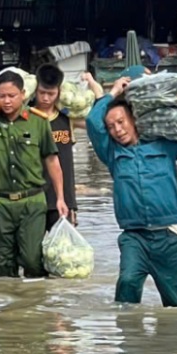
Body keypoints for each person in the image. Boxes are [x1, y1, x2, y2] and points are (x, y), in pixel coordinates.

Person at [86, 70, 177, 307]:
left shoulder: (163, 145)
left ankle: (171, 342)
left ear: (134, 120)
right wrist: (112, 93)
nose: (117, 130)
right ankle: (129, 338)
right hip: (135, 237)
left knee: (173, 305)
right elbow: (93, 122)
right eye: (111, 127)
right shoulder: (113, 153)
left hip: (169, 236)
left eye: (121, 122)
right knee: (127, 284)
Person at [0, 70, 70, 278]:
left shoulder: (38, 121)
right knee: (4, 266)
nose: (7, 101)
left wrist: (60, 198)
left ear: (23, 94)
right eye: (2, 96)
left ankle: (35, 306)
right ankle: (10, 307)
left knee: (32, 260)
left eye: (12, 96)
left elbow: (52, 160)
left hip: (31, 201)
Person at [29, 65, 102, 231]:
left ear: (59, 93)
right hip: (32, 198)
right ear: (35, 91)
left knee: (63, 253)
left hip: (63, 199)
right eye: (42, 93)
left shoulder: (67, 119)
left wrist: (91, 82)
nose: (46, 98)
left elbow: (99, 121)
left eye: (51, 94)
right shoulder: (26, 118)